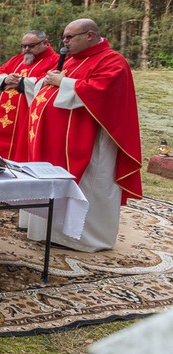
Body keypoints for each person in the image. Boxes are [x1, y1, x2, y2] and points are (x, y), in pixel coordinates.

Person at [24, 19, 142, 252]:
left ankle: (85, 238)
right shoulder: (70, 59)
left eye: (70, 37)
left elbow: (101, 92)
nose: (64, 42)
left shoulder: (113, 61)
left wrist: (62, 82)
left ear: (90, 35)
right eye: (64, 37)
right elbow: (53, 88)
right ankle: (49, 230)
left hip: (92, 141)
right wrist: (48, 81)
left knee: (90, 183)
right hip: (55, 139)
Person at [0, 30, 58, 162]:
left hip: (26, 116)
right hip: (4, 119)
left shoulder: (55, 61)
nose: (26, 50)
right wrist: (5, 79)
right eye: (23, 46)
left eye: (31, 46)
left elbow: (50, 82)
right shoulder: (17, 60)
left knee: (21, 152)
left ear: (45, 43)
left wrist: (22, 82)